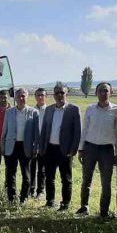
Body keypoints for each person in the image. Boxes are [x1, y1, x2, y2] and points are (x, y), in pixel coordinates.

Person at [77, 82, 117, 217]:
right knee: (86, 180)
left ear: (111, 93)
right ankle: (84, 207)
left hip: (107, 150)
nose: (103, 93)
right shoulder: (90, 109)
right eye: (101, 91)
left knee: (106, 183)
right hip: (90, 148)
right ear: (96, 93)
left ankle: (104, 212)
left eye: (106, 91)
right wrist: (81, 149)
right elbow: (85, 129)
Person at [38, 83, 82, 211]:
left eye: (62, 93)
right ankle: (50, 202)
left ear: (66, 94)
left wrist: (74, 149)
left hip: (65, 150)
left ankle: (65, 204)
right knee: (49, 177)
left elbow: (77, 131)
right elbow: (45, 130)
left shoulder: (74, 109)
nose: (59, 95)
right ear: (53, 95)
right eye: (57, 93)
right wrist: (42, 147)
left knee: (66, 178)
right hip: (50, 148)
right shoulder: (49, 109)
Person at [0, 88, 40, 204]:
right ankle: (11, 197)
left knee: (26, 174)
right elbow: (5, 130)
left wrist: (35, 147)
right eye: (18, 96)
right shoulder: (9, 112)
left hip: (25, 146)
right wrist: (2, 145)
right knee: (10, 173)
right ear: (15, 98)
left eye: (23, 96)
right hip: (11, 145)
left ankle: (24, 197)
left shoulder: (34, 112)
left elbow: (36, 133)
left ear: (27, 97)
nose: (21, 99)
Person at [28, 87, 48, 198]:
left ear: (46, 97)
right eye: (38, 95)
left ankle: (40, 191)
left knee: (42, 169)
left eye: (42, 95)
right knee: (32, 168)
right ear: (35, 97)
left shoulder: (50, 110)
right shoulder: (31, 111)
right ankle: (31, 189)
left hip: (44, 144)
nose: (40, 97)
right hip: (33, 143)